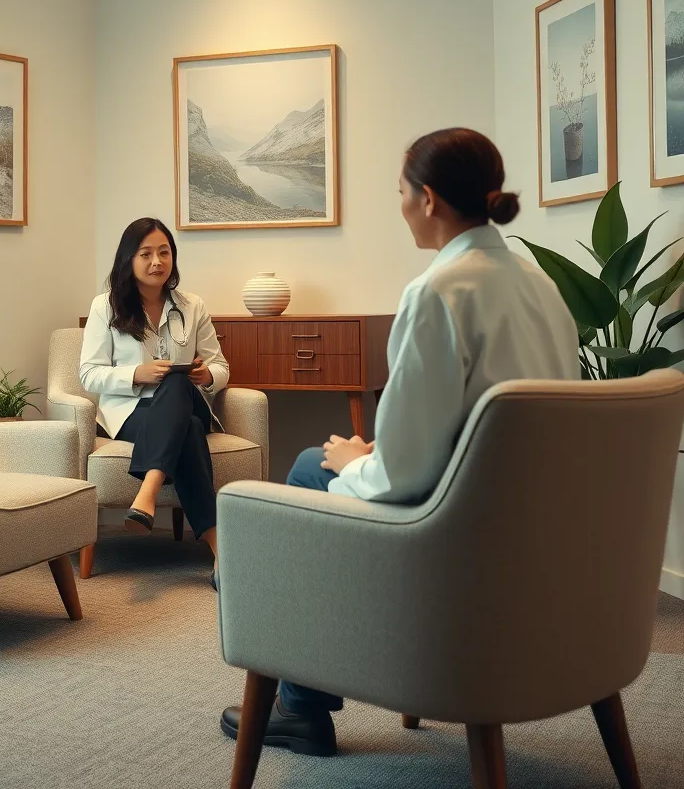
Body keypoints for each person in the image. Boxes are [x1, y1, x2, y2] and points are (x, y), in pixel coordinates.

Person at [220, 127, 580, 756]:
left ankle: (298, 705)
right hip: (539, 543)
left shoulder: (437, 293)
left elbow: (407, 477)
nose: (402, 205)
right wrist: (374, 460)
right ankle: (283, 662)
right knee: (328, 464)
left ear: (430, 200)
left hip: (454, 552)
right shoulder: (542, 288)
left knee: (309, 469)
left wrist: (360, 463)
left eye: (401, 192)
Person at [80, 217, 229, 586]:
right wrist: (136, 375)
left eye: (164, 252)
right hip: (132, 411)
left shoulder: (192, 305)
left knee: (177, 387)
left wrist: (205, 376)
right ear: (128, 259)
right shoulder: (106, 307)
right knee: (190, 430)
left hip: (187, 398)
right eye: (146, 253)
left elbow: (220, 365)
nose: (157, 261)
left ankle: (147, 491)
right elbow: (88, 374)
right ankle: (222, 555)